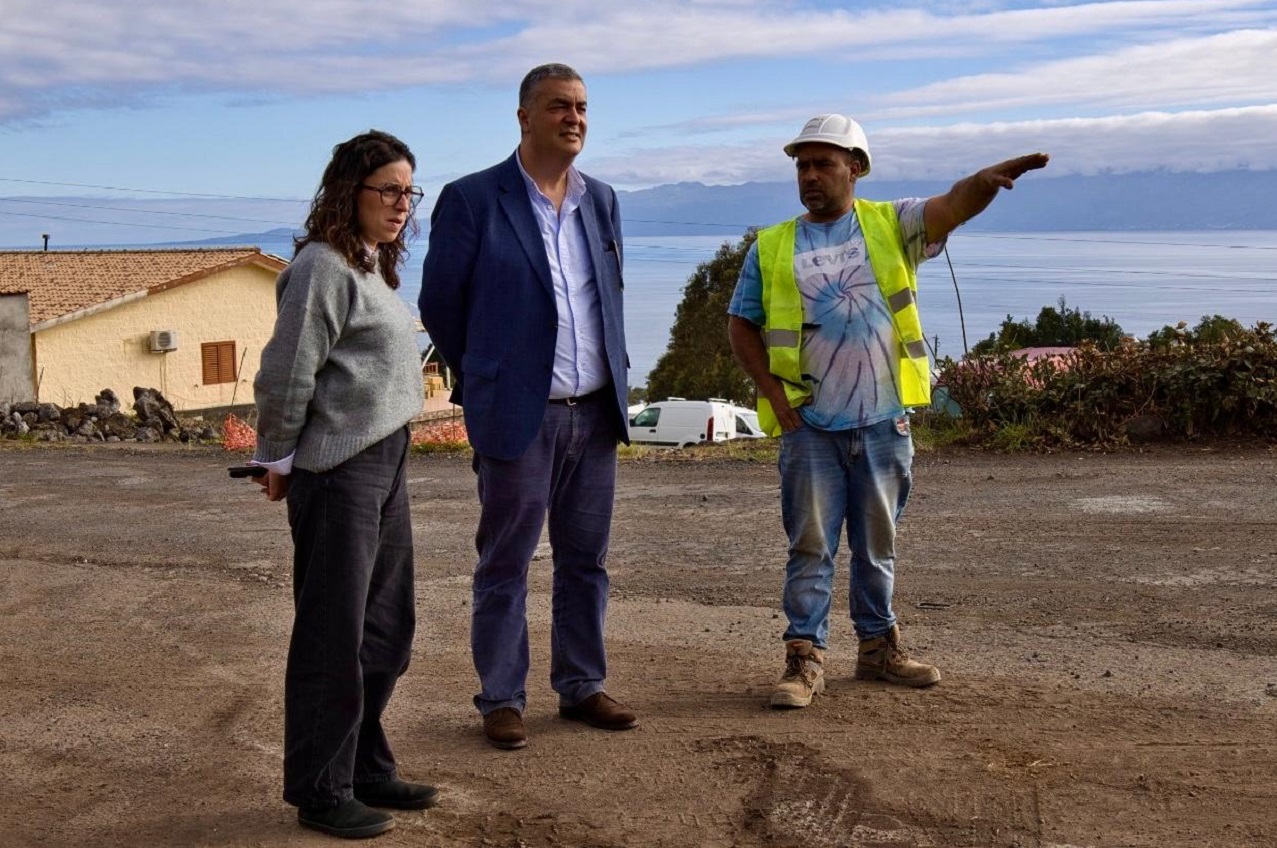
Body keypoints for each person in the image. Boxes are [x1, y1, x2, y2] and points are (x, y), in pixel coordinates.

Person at [727, 114, 1049, 709]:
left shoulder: (890, 223)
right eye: (802, 165)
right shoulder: (771, 246)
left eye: (823, 163)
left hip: (883, 420)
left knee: (878, 545)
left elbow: (951, 206)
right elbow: (740, 324)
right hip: (810, 426)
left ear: (856, 167)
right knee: (811, 547)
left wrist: (982, 183)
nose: (810, 175)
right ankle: (804, 659)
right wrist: (774, 396)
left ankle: (878, 649)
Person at [419, 63, 636, 750]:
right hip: (519, 415)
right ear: (523, 117)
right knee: (505, 562)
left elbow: (609, 297)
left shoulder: (602, 200)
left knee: (586, 561)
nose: (574, 118)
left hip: (593, 413)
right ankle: (502, 698)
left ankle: (581, 685)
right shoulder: (472, 199)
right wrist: (487, 377)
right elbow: (440, 305)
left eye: (581, 107)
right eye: (558, 106)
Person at [248, 130, 435, 838]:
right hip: (337, 472)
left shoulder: (369, 266)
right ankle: (320, 791)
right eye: (387, 189)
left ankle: (362, 764)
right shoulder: (321, 268)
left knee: (386, 631)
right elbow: (285, 371)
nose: (401, 204)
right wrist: (276, 459)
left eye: (409, 192)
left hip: (387, 461)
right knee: (333, 636)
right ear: (347, 192)